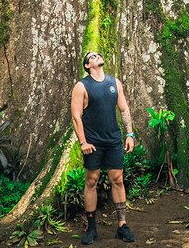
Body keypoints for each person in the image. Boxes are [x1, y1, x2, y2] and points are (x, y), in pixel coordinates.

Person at [70, 51, 136, 245]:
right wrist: (83, 142)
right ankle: (91, 228)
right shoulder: (82, 86)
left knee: (118, 179)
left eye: (98, 54)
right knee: (91, 181)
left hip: (114, 141)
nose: (97, 56)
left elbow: (124, 109)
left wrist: (130, 134)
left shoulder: (114, 83)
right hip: (93, 143)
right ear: (87, 65)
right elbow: (76, 116)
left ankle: (122, 225)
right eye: (92, 56)